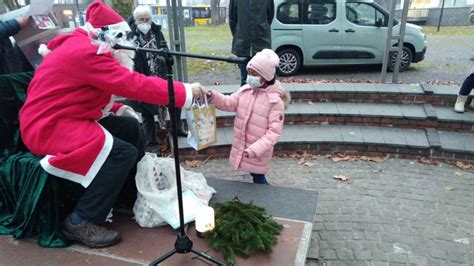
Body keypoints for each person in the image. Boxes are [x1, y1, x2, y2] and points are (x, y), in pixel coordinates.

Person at [19, 1, 206, 248]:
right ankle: (81, 219)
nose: (127, 41)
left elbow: (77, 92)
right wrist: (183, 91)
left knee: (130, 128)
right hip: (47, 126)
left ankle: (128, 195)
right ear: (107, 34)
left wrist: (117, 108)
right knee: (121, 152)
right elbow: (132, 84)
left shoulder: (89, 45)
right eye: (123, 35)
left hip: (65, 115)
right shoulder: (86, 52)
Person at [206, 49, 290, 185]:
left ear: (266, 76)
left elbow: (274, 133)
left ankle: (266, 199)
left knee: (258, 177)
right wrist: (213, 96)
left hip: (258, 150)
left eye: (254, 74)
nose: (250, 77)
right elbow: (228, 103)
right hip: (244, 144)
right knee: (255, 175)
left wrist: (255, 149)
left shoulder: (275, 101)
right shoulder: (245, 91)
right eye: (249, 73)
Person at [229, 0, 274, 86]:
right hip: (253, 42)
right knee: (252, 79)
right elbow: (232, 19)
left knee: (256, 80)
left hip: (256, 42)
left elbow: (270, 17)